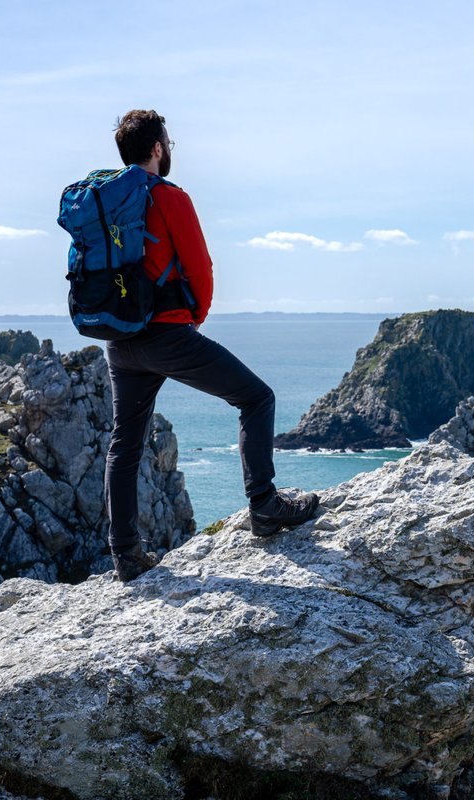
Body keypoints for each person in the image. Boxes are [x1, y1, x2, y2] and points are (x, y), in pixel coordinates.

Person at [105, 109, 319, 582]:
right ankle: (264, 507)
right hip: (167, 333)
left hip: (119, 342)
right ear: (158, 149)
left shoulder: (104, 201)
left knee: (125, 444)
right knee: (256, 398)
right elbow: (199, 267)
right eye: (169, 143)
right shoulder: (168, 197)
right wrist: (192, 319)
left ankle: (125, 556)